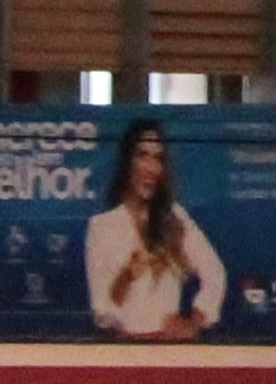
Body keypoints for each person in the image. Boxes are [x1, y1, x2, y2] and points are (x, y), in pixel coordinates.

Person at [83, 117, 228, 337]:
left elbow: (215, 274)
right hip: (127, 354)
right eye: (142, 156)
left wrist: (192, 323)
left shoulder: (175, 218)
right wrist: (127, 276)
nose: (150, 168)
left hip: (171, 354)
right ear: (127, 161)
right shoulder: (103, 227)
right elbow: (102, 309)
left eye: (158, 158)